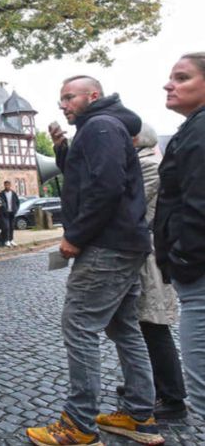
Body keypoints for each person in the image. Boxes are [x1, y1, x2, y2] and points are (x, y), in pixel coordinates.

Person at [26, 76, 160, 446]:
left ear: (93, 96)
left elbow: (106, 188)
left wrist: (76, 235)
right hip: (125, 243)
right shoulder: (103, 126)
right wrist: (62, 149)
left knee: (80, 327)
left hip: (106, 245)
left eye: (69, 97)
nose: (63, 105)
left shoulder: (100, 127)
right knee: (124, 328)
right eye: (61, 99)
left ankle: (78, 425)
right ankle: (139, 416)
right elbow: (88, 176)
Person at [154, 53, 205, 422]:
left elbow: (197, 202)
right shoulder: (194, 129)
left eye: (182, 77)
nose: (169, 84)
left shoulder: (200, 132)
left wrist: (183, 258)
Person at [126, 123, 186, 420]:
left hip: (150, 255)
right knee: (141, 324)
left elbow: (132, 204)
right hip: (143, 253)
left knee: (154, 324)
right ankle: (147, 385)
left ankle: (173, 397)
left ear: (137, 139)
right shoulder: (142, 162)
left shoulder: (149, 166)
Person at [0, 180, 21, 247]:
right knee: (6, 227)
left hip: (12, 212)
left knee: (11, 226)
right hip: (5, 213)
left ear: (10, 185)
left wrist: (16, 209)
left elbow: (17, 202)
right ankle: (7, 240)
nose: (7, 186)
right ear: (4, 185)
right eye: (6, 185)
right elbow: (0, 203)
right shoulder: (2, 194)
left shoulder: (13, 193)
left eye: (8, 185)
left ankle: (11, 239)